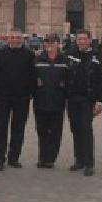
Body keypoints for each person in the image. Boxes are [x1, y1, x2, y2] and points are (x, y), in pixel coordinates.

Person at [0, 29, 37, 171]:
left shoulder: (29, 54)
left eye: (18, 37)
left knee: (18, 128)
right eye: (13, 37)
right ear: (7, 38)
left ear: (22, 39)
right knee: (0, 128)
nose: (16, 40)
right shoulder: (0, 53)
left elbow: (32, 75)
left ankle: (13, 158)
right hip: (3, 97)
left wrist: (30, 93)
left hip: (21, 97)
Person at [66, 28, 102, 176]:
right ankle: (79, 159)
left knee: (86, 128)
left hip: (88, 99)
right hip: (72, 98)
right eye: (79, 39)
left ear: (89, 40)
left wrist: (100, 100)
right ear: (76, 40)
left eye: (84, 39)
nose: (81, 41)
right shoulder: (70, 54)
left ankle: (89, 163)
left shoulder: (98, 56)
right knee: (75, 129)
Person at [32, 34, 70, 169]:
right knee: (42, 131)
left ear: (58, 44)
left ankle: (51, 158)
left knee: (55, 131)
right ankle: (42, 157)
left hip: (58, 102)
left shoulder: (64, 60)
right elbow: (31, 78)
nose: (50, 44)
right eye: (47, 42)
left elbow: (69, 79)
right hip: (40, 100)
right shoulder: (37, 59)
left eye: (52, 42)